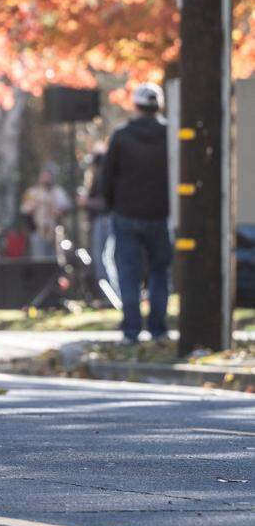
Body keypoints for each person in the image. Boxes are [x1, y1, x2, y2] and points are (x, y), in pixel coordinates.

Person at [102, 82, 172, 344]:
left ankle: (131, 330)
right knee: (159, 271)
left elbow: (106, 176)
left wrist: (111, 205)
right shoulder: (169, 135)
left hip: (126, 213)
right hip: (159, 214)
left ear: (136, 105)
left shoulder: (122, 136)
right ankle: (158, 328)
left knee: (128, 272)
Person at [80, 142, 114, 299]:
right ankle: (107, 292)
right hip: (101, 219)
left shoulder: (104, 175)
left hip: (105, 220)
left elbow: (106, 202)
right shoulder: (98, 175)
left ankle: (109, 293)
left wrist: (87, 202)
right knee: (103, 257)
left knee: (104, 258)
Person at [20, 166, 71, 258]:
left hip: (54, 232)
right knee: (39, 258)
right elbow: (25, 211)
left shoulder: (58, 192)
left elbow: (65, 208)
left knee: (54, 259)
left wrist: (59, 212)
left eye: (48, 176)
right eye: (44, 176)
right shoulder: (32, 193)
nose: (46, 179)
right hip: (38, 231)